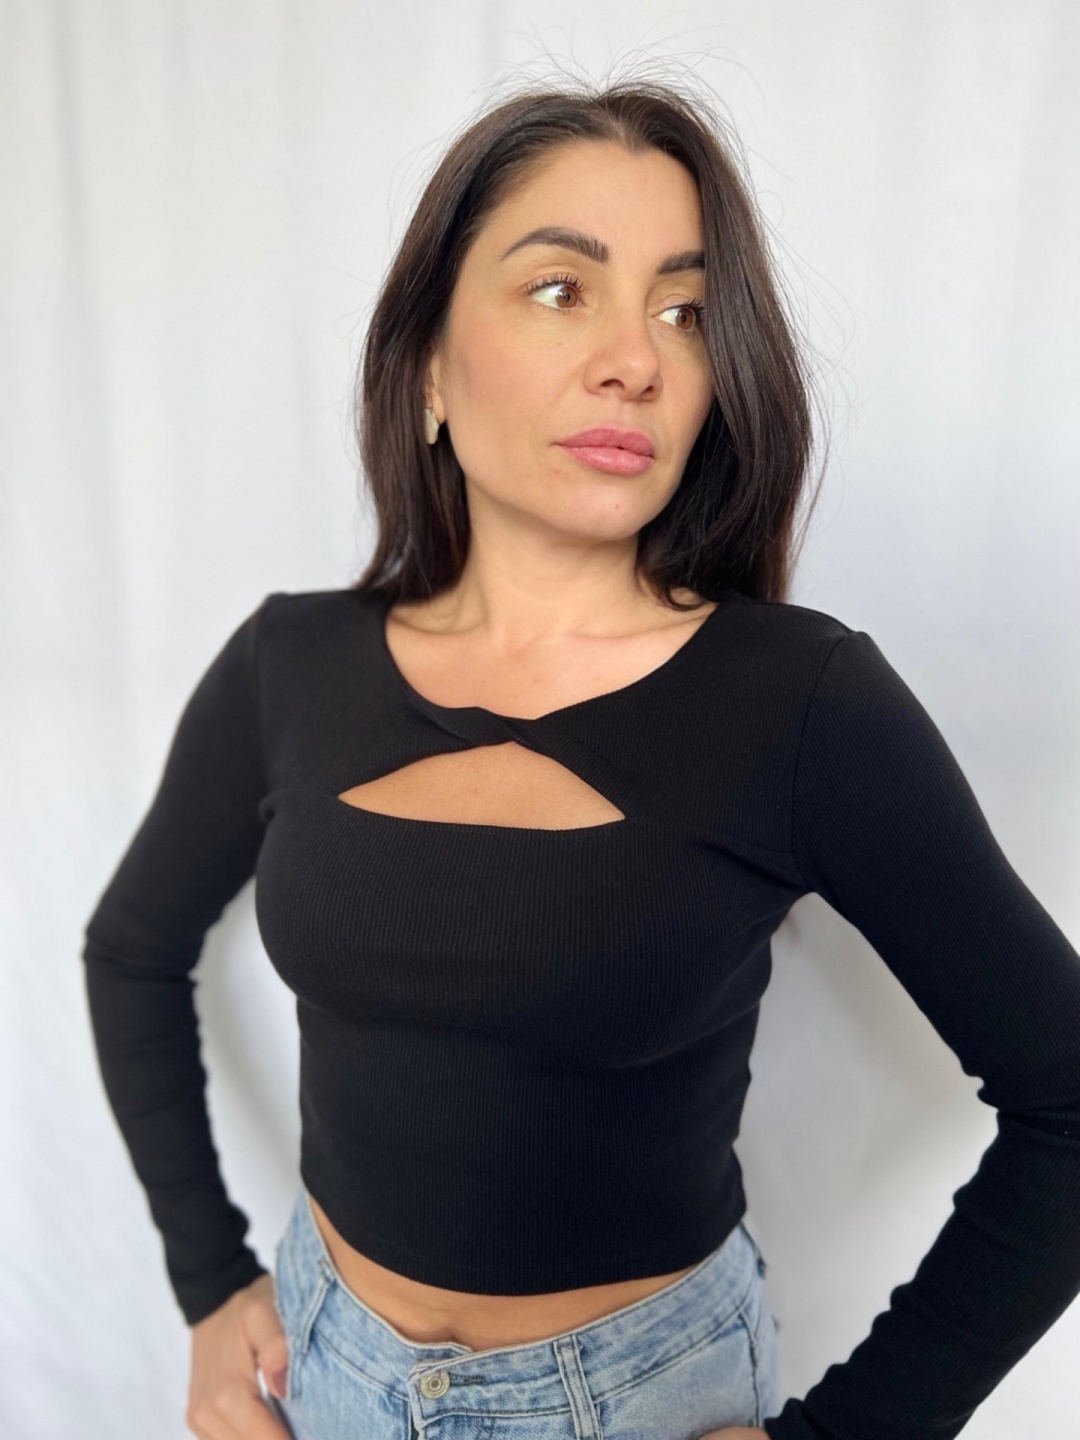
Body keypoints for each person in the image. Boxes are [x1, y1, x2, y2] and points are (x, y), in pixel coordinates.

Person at [81, 76, 1080, 1440]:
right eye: (562, 290)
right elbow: (131, 952)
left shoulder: (803, 703)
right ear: (429, 368)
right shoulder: (287, 665)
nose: (636, 360)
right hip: (322, 1371)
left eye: (685, 310)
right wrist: (209, 1285)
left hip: (637, 1403)